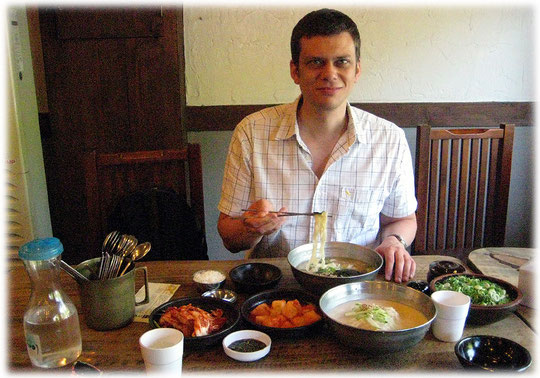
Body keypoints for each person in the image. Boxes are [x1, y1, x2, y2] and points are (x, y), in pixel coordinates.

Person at [217, 8, 417, 283]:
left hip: (357, 288)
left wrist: (394, 241)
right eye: (315, 62)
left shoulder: (389, 139)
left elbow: (402, 219)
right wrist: (252, 227)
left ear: (357, 70)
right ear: (295, 71)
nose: (329, 73)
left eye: (342, 62)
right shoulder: (252, 132)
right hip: (276, 287)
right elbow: (229, 236)